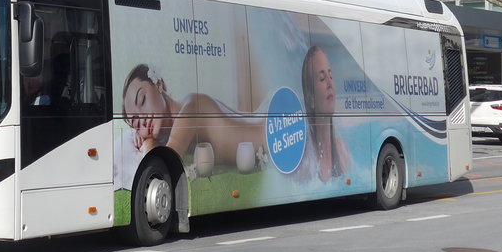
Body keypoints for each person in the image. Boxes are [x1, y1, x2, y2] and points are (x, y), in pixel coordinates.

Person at [121, 63, 264, 167]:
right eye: (137, 124)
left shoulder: (190, 109)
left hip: (270, 134)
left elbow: (166, 163)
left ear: (158, 85)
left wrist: (148, 144)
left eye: (142, 100)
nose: (143, 119)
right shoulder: (172, 126)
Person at [296, 45, 352, 183]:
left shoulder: (342, 150)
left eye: (330, 76)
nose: (330, 84)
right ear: (311, 98)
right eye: (322, 78)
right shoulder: (306, 163)